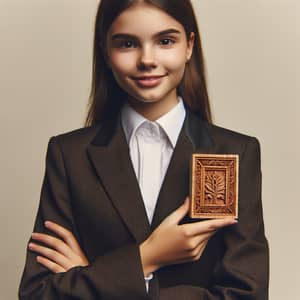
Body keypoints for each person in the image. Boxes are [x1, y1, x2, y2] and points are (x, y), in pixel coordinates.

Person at [18, 0, 269, 299]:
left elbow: (246, 294)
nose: (147, 59)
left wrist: (104, 277)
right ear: (105, 51)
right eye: (127, 44)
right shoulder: (69, 155)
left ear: (189, 46)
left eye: (165, 41)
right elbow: (38, 293)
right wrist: (146, 257)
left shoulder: (235, 152)